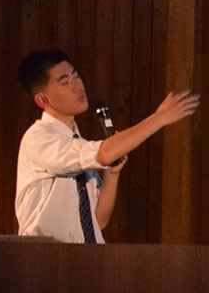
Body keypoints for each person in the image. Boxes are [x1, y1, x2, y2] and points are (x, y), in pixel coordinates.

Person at [13, 49, 199, 242]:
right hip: (44, 258)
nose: (77, 86)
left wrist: (112, 174)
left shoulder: (77, 143)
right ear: (42, 100)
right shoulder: (39, 138)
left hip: (87, 257)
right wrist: (159, 118)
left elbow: (99, 219)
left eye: (76, 76)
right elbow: (103, 154)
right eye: (65, 82)